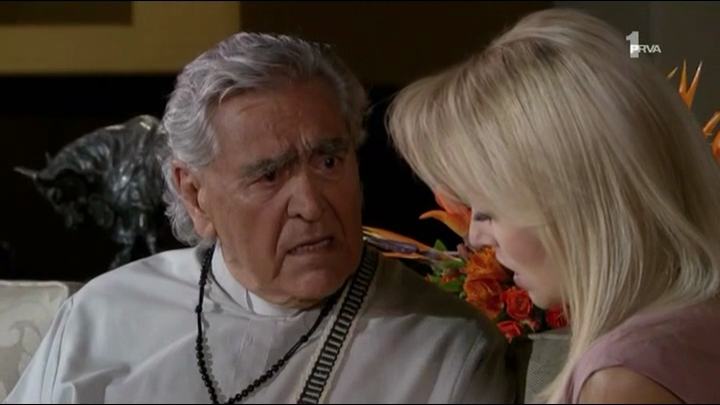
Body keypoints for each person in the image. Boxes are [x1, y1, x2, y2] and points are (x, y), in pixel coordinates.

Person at [4, 33, 515, 403]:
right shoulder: (102, 317)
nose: (311, 205)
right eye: (269, 176)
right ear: (195, 195)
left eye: (329, 161)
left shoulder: (448, 350)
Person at [388, 8, 720, 404]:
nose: (475, 237)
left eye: (488, 210)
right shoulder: (689, 330)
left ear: (568, 197)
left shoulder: (623, 380)